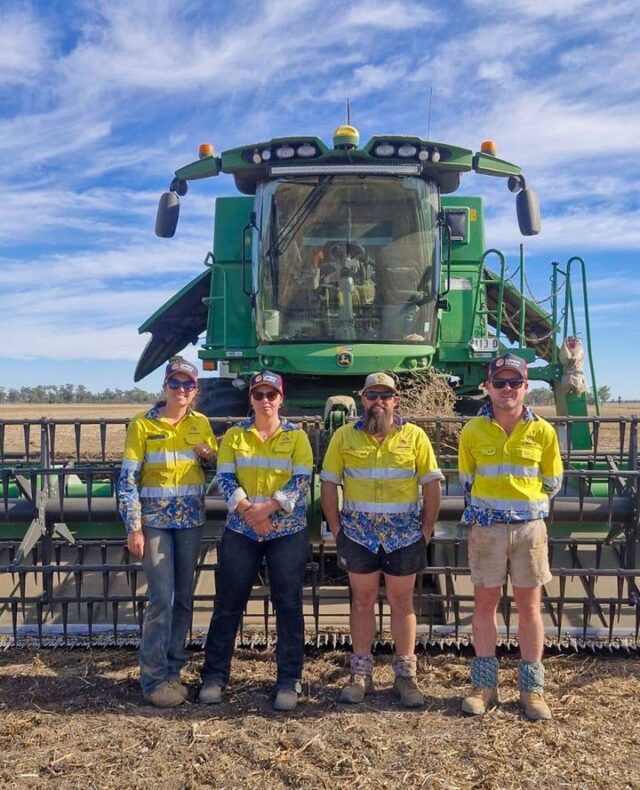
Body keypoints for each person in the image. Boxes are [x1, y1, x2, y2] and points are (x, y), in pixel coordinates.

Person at [320, 372, 444, 707]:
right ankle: (361, 674)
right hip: (358, 535)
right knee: (362, 601)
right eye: (372, 395)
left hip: (404, 535)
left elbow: (432, 484)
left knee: (402, 603)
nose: (378, 402)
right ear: (363, 400)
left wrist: (426, 530)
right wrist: (336, 528)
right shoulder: (344, 437)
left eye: (385, 396)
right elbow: (329, 483)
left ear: (395, 400)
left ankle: (405, 676)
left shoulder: (415, 437)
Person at [199, 371, 313, 712]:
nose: (265, 400)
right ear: (250, 398)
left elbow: (302, 478)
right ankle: (214, 677)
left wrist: (267, 510)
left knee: (289, 606)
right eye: (259, 394)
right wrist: (250, 512)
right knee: (228, 604)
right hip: (243, 530)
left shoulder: (297, 438)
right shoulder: (235, 436)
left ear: (281, 398)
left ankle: (289, 680)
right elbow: (225, 475)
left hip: (286, 532)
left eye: (271, 395)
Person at [458, 353, 563, 720]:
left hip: (529, 530)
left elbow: (552, 481)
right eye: (499, 382)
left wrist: (524, 510)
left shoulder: (543, 431)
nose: (507, 389)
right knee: (485, 606)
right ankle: (484, 686)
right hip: (487, 530)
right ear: (487, 387)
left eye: (514, 383)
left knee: (529, 608)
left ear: (526, 387)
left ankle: (531, 690)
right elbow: (467, 480)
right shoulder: (471, 431)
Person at [117, 356, 217, 708]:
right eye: (174, 384)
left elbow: (214, 469)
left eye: (187, 384)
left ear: (196, 390)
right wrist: (134, 526)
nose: (181, 390)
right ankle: (154, 678)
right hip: (155, 522)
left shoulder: (202, 423)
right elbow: (127, 479)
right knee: (162, 598)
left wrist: (208, 457)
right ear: (165, 387)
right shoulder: (143, 425)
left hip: (190, 521)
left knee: (184, 599)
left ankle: (175, 670)